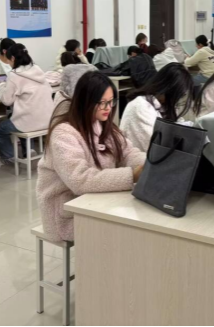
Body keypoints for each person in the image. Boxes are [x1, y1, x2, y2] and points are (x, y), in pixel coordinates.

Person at [36, 72, 146, 243]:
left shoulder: (103, 124)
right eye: (102, 103)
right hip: (65, 213)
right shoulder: (63, 133)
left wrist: (148, 164)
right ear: (85, 102)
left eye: (111, 102)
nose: (108, 108)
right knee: (128, 229)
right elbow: (80, 180)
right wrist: (132, 175)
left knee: (138, 218)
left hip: (93, 201)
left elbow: (128, 152)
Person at [0, 44, 53, 165]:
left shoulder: (14, 75)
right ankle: (28, 150)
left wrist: (2, 86)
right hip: (48, 119)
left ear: (13, 58)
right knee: (14, 117)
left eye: (8, 60)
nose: (9, 63)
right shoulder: (37, 70)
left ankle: (9, 158)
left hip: (30, 122)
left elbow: (6, 101)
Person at [121, 63, 194, 152]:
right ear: (168, 90)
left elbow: (176, 123)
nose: (178, 100)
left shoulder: (164, 104)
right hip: (142, 157)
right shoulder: (140, 106)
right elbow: (154, 145)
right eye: (178, 95)